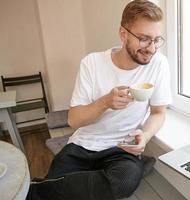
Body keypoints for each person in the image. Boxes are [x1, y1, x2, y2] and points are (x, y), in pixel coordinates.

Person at [26, 0, 172, 199]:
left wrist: (145, 136)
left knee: (123, 182)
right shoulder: (92, 63)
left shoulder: (159, 64)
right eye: (144, 39)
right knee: (60, 173)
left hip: (122, 148)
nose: (152, 49)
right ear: (123, 34)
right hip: (83, 145)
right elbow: (73, 120)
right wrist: (104, 103)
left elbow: (158, 112)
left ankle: (38, 190)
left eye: (156, 40)